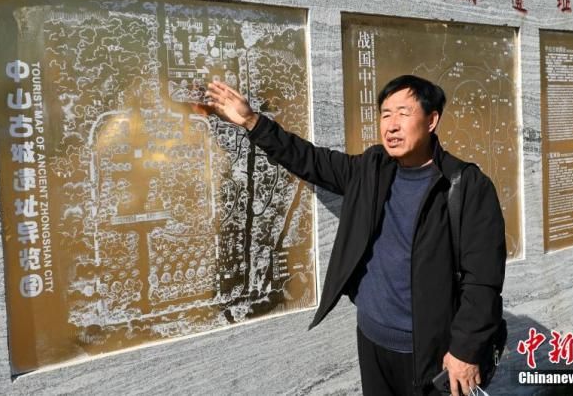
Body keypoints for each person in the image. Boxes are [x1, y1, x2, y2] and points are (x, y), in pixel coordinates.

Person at [204, 75, 506, 396]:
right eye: (385, 114)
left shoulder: (466, 186)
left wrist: (465, 350)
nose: (391, 125)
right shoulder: (372, 168)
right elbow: (310, 160)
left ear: (431, 120)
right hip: (372, 339)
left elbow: (482, 280)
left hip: (430, 353)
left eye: (403, 113)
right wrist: (252, 122)